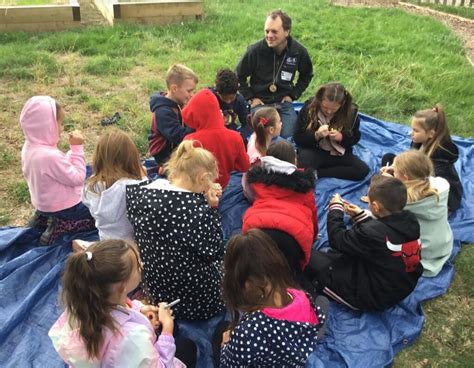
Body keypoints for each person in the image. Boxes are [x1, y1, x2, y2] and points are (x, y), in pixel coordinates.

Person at [49, 239, 196, 367]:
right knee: (187, 348)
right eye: (138, 266)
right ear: (122, 287)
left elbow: (121, 309)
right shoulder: (134, 338)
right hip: (133, 351)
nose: (142, 265)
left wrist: (140, 309)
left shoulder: (83, 304)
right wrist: (167, 331)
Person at [126, 141, 225, 321]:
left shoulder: (140, 195)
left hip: (157, 290)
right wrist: (212, 209)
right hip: (197, 301)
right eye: (208, 182)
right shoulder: (196, 212)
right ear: (202, 178)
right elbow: (215, 251)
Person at [305, 175, 423, 311]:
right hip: (402, 285)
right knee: (342, 252)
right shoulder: (411, 221)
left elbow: (337, 240)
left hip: (372, 296)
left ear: (376, 207)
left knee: (305, 257)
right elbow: (385, 236)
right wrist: (360, 216)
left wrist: (335, 209)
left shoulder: (372, 233)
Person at [217, 229, 326, 367]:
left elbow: (229, 365)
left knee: (220, 331)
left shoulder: (249, 332)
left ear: (248, 283)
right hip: (295, 360)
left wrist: (225, 346)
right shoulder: (300, 296)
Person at [19, 96, 94, 245]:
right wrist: (77, 149)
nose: (62, 127)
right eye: (60, 123)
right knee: (97, 210)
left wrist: (71, 155)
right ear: (48, 126)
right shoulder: (50, 156)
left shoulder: (29, 147)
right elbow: (78, 177)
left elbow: (58, 169)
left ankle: (43, 216)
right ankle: (60, 225)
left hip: (43, 202)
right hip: (66, 206)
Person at [242, 141, 317, 284]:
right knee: (292, 275)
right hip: (293, 234)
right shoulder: (304, 186)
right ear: (294, 160)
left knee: (259, 269)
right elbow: (312, 213)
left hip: (257, 225)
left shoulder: (260, 180)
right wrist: (313, 238)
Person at [236, 10, 313, 138]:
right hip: (260, 102)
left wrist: (293, 95)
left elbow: (307, 75)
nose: (269, 35)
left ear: (287, 32)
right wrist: (250, 97)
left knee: (288, 136)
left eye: (274, 31)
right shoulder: (255, 51)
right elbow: (238, 75)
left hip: (284, 102)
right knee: (264, 136)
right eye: (267, 31)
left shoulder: (298, 52)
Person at [381, 150, 453, 277]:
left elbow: (381, 215)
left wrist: (388, 183)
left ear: (405, 177)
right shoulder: (442, 184)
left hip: (420, 252)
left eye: (396, 170)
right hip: (442, 243)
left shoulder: (402, 201)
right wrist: (397, 171)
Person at [294, 82, 369, 181]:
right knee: (302, 165)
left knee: (362, 170)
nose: (329, 112)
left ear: (342, 105)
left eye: (334, 109)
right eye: (325, 107)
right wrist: (316, 135)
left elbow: (355, 137)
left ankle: (318, 173)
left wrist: (341, 137)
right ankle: (316, 171)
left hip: (338, 153)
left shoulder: (350, 113)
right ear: (320, 101)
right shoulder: (309, 109)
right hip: (315, 151)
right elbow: (298, 137)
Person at [82, 129, 148, 241]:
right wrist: (144, 177)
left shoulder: (90, 186)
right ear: (131, 157)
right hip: (132, 248)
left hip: (107, 243)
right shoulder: (133, 187)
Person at [182, 88, 250, 189]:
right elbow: (244, 166)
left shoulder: (190, 141)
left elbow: (183, 173)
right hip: (222, 188)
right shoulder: (235, 137)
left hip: (198, 190)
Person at [410, 104, 463, 212]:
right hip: (420, 179)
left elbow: (427, 180)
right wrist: (395, 166)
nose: (411, 133)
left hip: (441, 194)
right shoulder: (418, 142)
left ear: (431, 134)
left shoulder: (440, 156)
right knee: (389, 158)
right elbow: (411, 160)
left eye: (416, 131)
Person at [148, 64, 198, 167]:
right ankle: (165, 168)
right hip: (164, 155)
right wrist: (196, 123)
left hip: (177, 148)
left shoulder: (180, 101)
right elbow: (178, 136)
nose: (192, 94)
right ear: (174, 88)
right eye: (189, 91)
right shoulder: (162, 111)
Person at [209, 68, 252, 141]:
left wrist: (241, 137)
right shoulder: (209, 98)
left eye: (231, 98)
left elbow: (246, 124)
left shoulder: (239, 100)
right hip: (213, 133)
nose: (228, 101)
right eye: (224, 98)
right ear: (217, 92)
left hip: (231, 132)